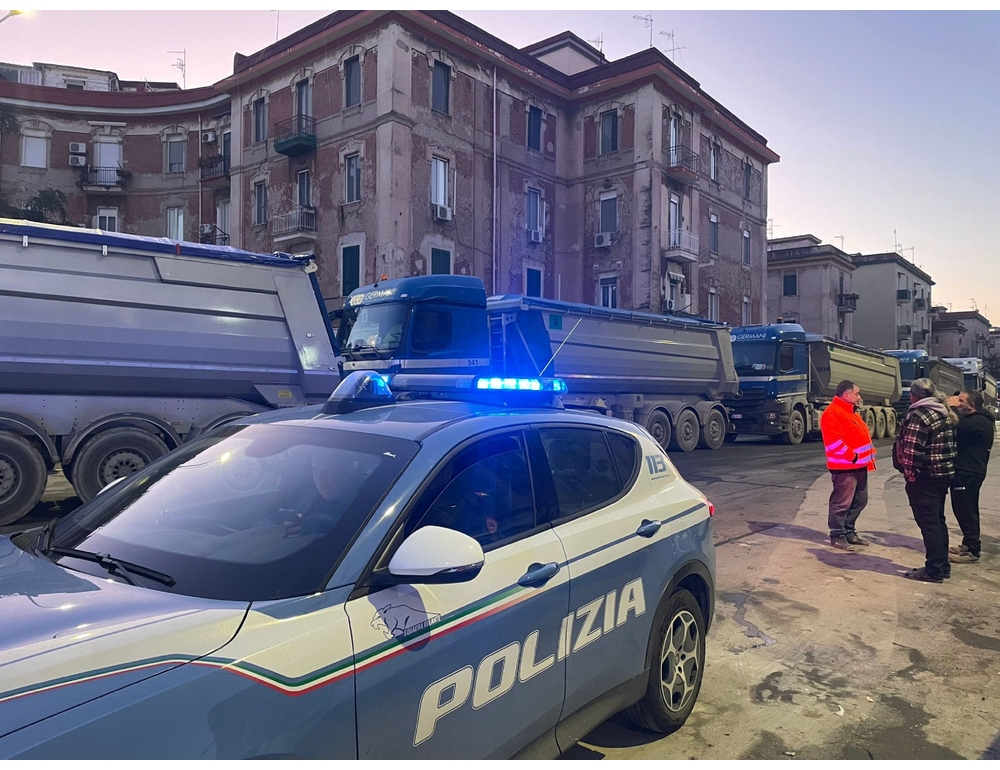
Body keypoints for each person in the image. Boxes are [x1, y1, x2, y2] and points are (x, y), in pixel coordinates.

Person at [893, 378, 957, 583]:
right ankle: (942, 565)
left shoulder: (919, 415)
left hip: (926, 478)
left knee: (929, 523)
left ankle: (934, 570)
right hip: (943, 475)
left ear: (913, 396)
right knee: (937, 521)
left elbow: (912, 451)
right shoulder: (944, 413)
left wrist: (910, 476)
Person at [820, 380, 876, 551]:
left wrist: (867, 455)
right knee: (841, 503)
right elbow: (835, 443)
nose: (859, 397)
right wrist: (853, 457)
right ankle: (837, 535)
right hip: (846, 468)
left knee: (860, 501)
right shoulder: (833, 413)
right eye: (856, 393)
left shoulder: (851, 411)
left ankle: (849, 531)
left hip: (859, 466)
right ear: (846, 395)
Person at [945, 390, 995, 564]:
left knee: (966, 511)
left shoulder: (978, 422)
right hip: (967, 471)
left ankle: (972, 550)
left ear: (971, 405)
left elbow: (954, 425)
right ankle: (968, 544)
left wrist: (949, 406)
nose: (958, 403)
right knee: (962, 509)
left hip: (968, 472)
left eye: (961, 401)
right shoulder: (978, 419)